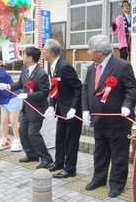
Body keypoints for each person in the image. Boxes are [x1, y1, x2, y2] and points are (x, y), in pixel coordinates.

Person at [82, 35, 136, 198]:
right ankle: (99, 178)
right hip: (98, 120)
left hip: (118, 121)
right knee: (100, 152)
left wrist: (127, 106)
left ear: (99, 51)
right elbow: (86, 89)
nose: (88, 52)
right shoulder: (92, 67)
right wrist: (85, 109)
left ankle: (117, 184)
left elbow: (131, 89)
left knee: (119, 155)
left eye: (90, 49)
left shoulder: (122, 66)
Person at [0, 46, 54, 169]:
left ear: (30, 58)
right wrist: (7, 86)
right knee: (22, 131)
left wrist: (27, 95)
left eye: (24, 55)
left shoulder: (41, 74)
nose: (22, 57)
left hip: (37, 108)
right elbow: (20, 84)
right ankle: (31, 154)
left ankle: (46, 158)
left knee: (33, 133)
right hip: (26, 108)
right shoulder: (25, 68)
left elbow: (44, 93)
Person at [42, 39, 82, 178]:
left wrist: (73, 108)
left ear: (49, 52)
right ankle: (59, 162)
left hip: (72, 112)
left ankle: (70, 168)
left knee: (70, 140)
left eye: (43, 51)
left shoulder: (64, 67)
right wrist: (51, 106)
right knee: (60, 137)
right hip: (61, 110)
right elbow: (54, 88)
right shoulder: (54, 66)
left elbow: (78, 87)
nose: (42, 53)